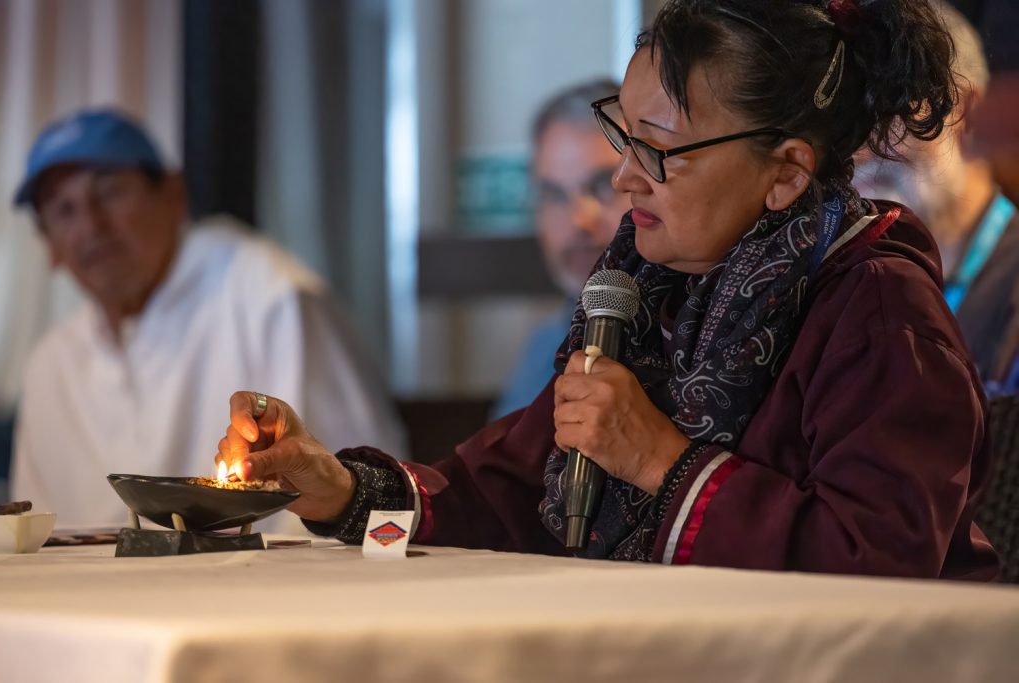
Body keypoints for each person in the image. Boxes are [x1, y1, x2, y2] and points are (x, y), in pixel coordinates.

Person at [216, 0, 999, 579]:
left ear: (787, 172)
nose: (624, 177)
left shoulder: (879, 313)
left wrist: (661, 459)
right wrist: (339, 493)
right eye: (624, 135)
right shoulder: (644, 292)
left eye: (658, 150)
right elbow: (500, 504)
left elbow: (877, 571)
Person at [10, 108, 405, 530]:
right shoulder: (51, 364)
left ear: (174, 195)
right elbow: (32, 535)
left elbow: (364, 510)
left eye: (109, 192)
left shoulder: (267, 297)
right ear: (50, 246)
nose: (91, 225)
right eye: (64, 210)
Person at [853, 1, 1019, 394]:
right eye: (846, 120)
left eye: (886, 108)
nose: (859, 151)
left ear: (965, 111)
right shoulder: (856, 288)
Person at [492, 80, 630, 419]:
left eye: (604, 186)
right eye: (554, 195)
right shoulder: (544, 347)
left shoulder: (694, 351)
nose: (579, 220)